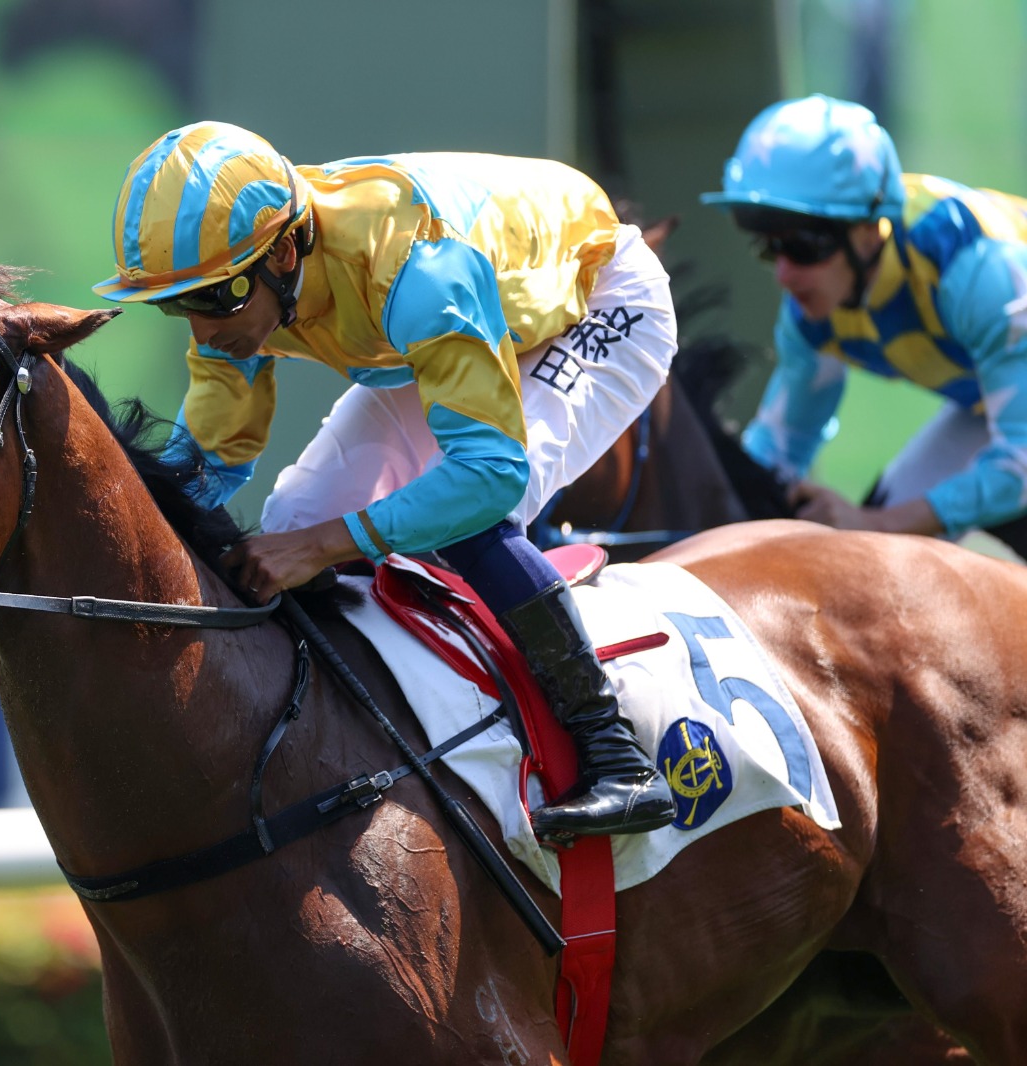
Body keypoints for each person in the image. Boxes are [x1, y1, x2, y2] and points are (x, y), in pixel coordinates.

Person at [93, 122, 680, 838]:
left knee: (468, 513)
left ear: (283, 251)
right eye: (178, 304)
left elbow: (487, 475)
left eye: (217, 299)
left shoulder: (416, 271)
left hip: (598, 300)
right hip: (465, 327)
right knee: (290, 517)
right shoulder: (244, 276)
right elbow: (210, 460)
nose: (203, 329)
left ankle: (615, 754)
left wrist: (327, 545)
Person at [702, 94, 1027, 549]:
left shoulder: (976, 274)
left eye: (805, 245)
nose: (784, 273)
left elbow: (1021, 462)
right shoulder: (813, 311)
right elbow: (778, 451)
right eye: (768, 247)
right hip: (997, 412)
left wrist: (877, 522)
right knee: (883, 554)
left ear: (870, 229)